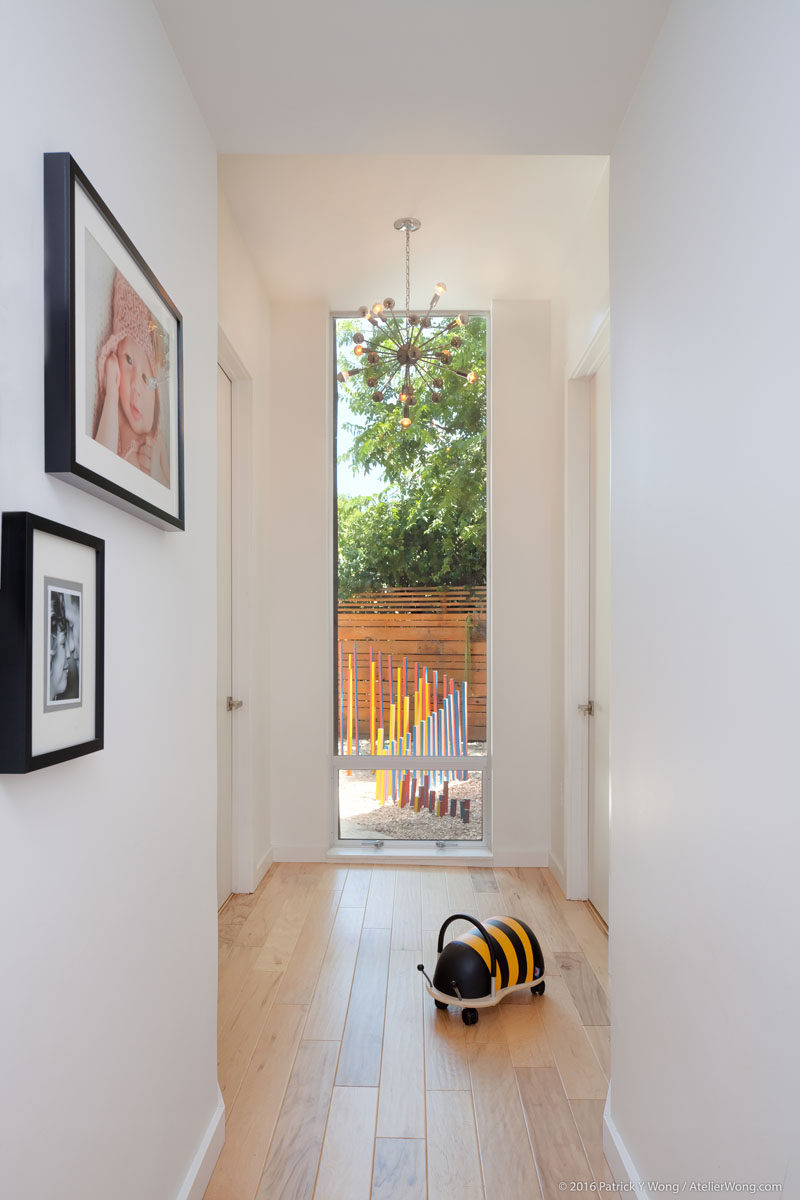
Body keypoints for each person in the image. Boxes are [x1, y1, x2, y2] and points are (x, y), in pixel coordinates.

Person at [93, 270, 170, 486]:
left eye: (146, 378)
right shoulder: (114, 416)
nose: (135, 386)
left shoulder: (158, 448)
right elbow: (100, 467)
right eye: (128, 360)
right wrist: (111, 393)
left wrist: (159, 476)